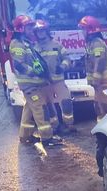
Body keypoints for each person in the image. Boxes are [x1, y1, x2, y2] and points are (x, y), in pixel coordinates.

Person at [10, 15, 59, 145]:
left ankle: (25, 136)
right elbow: (18, 64)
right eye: (29, 26)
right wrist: (34, 72)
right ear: (21, 28)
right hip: (29, 85)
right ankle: (47, 138)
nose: (32, 29)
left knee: (29, 109)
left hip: (33, 84)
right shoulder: (18, 44)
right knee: (40, 109)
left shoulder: (26, 43)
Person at [33, 19, 76, 136]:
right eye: (38, 31)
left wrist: (62, 67)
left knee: (66, 101)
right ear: (35, 33)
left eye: (42, 30)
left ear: (47, 31)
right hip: (44, 83)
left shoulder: (57, 45)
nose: (40, 33)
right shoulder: (35, 49)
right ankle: (55, 126)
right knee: (48, 107)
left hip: (58, 81)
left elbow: (67, 58)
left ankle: (69, 124)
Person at [78, 16, 107, 121]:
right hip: (99, 82)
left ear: (90, 30)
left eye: (83, 29)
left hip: (104, 81)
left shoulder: (97, 43)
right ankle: (104, 123)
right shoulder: (90, 43)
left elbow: (100, 61)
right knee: (100, 103)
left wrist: (95, 78)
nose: (81, 31)